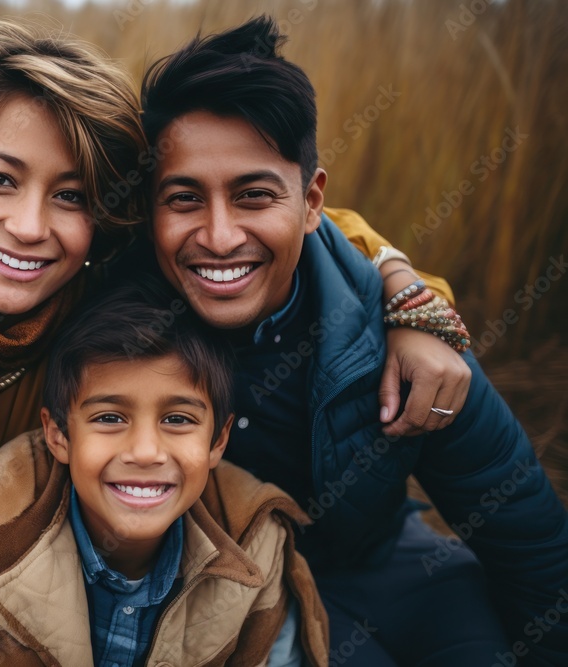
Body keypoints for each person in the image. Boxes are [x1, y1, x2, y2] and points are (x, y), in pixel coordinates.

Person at [0, 16, 467, 667]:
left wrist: (408, 294)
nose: (31, 227)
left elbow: (322, 232)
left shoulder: (122, 294)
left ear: (102, 219)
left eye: (70, 196)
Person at [136, 15, 568, 666]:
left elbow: (529, 540)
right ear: (147, 210)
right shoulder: (115, 336)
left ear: (311, 203)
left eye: (253, 195)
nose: (220, 236)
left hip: (406, 571)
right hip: (251, 605)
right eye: (184, 198)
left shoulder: (402, 333)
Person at [0, 281, 330, 667]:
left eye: (178, 419)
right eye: (110, 417)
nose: (145, 452)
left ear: (217, 442)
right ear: (58, 435)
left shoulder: (258, 547)